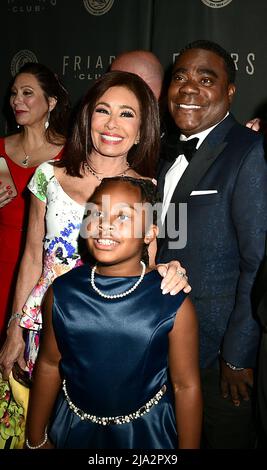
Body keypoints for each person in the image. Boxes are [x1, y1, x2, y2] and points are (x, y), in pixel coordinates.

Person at [0, 71, 190, 382]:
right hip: (46, 323)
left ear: (142, 131)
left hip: (108, 331)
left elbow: (150, 265)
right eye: (103, 110)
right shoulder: (48, 175)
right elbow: (32, 257)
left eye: (126, 114)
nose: (112, 124)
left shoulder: (149, 190)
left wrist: (172, 269)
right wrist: (14, 328)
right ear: (88, 119)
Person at [25, 176, 202, 449]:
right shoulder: (62, 293)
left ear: (149, 233)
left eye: (123, 217)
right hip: (73, 429)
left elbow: (186, 386)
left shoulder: (171, 301)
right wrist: (35, 437)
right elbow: (49, 364)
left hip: (148, 436)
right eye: (96, 213)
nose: (105, 224)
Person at [156, 39, 267, 449]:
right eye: (181, 76)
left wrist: (237, 354)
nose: (189, 88)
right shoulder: (164, 155)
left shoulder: (249, 151)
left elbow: (257, 263)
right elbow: (171, 243)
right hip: (161, 344)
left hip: (218, 356)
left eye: (206, 79)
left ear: (230, 92)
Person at [0, 62, 70, 341]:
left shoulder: (70, 153)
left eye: (27, 93)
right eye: (14, 93)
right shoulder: (0, 149)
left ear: (51, 102)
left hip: (46, 270)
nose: (17, 100)